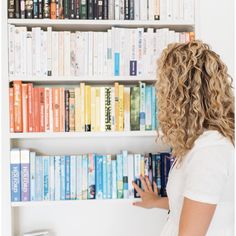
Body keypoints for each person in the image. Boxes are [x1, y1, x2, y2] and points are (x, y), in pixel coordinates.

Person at [132, 40, 234, 236]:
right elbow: (195, 199)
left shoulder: (210, 150)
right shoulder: (200, 142)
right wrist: (155, 202)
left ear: (178, 94)